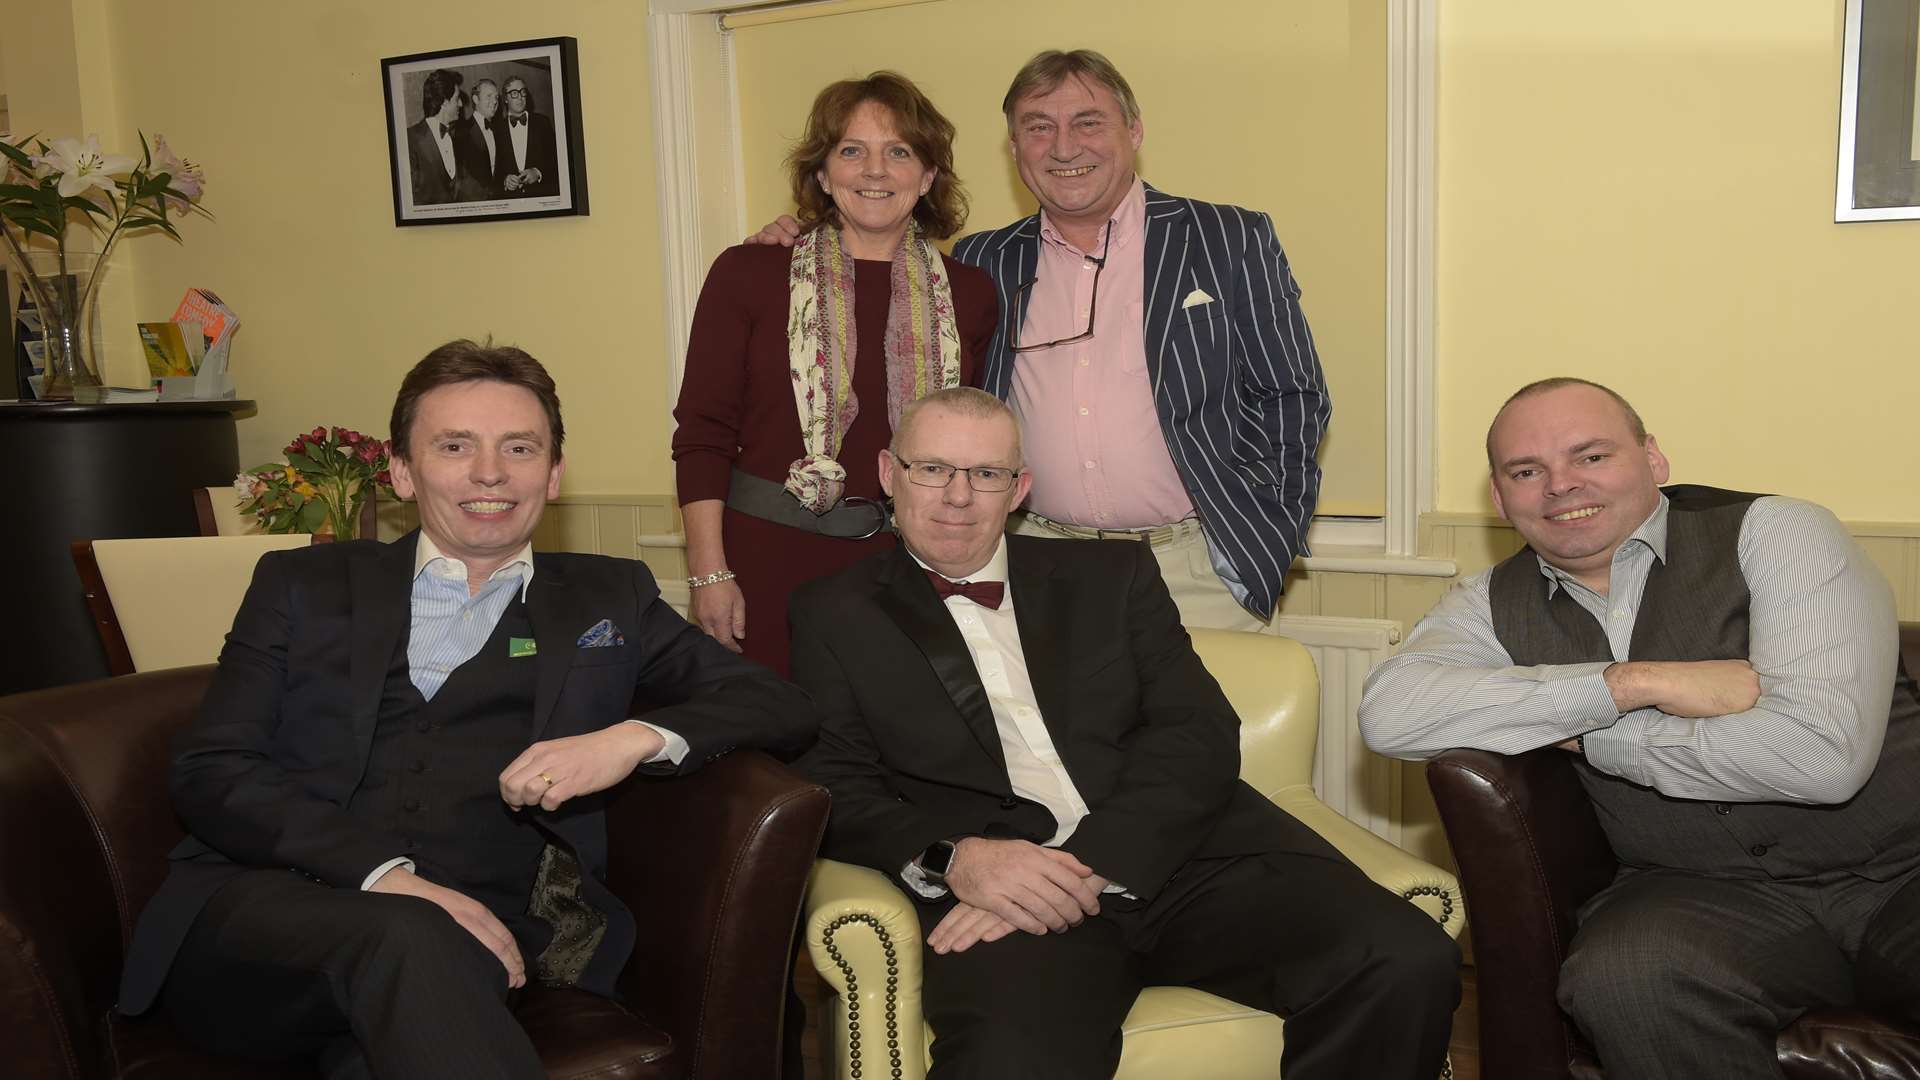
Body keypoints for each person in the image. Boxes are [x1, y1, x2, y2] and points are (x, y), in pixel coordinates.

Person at [115, 341, 818, 1078]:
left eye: (519, 448)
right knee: (410, 936)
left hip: (470, 950)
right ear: (401, 471)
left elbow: (780, 703)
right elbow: (213, 767)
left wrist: (632, 737)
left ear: (553, 477)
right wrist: (382, 875)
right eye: (455, 446)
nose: (490, 472)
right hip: (262, 923)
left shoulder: (609, 598)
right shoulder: (304, 585)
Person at [789, 386, 1459, 1080]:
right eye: (932, 468)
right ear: (887, 471)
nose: (958, 496)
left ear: (1019, 489)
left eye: (986, 474)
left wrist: (1091, 860)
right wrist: (957, 859)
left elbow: (1197, 732)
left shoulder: (1113, 576)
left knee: (1403, 958)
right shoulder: (832, 613)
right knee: (1013, 1060)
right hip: (1008, 898)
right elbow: (836, 782)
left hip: (1186, 863)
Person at [1358, 377, 1920, 1078]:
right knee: (1625, 977)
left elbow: (1820, 757)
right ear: (1500, 500)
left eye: (1590, 456)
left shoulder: (1778, 531)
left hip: (1902, 871)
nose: (1560, 486)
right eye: (1526, 471)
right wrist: (1631, 684)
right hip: (1699, 889)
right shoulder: (1485, 602)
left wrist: (1586, 733)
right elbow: (1390, 713)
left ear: (1653, 460)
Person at [752, 49, 1330, 635]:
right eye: (1038, 127)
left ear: (1133, 130)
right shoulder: (983, 261)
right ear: (1014, 148)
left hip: (1199, 572)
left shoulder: (1226, 238)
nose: (1063, 147)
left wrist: (1270, 532)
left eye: (1088, 121)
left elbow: (1293, 395)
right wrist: (803, 236)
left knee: (1210, 729)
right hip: (1036, 570)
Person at [672, 72, 997, 677]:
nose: (875, 171)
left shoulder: (971, 295)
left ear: (927, 177)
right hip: (763, 564)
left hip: (905, 566)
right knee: (773, 754)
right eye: (852, 150)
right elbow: (702, 434)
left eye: (898, 152)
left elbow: (972, 449)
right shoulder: (748, 273)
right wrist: (709, 574)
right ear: (823, 174)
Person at [407, 68, 466, 205]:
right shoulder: (410, 139)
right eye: (457, 99)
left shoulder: (458, 137)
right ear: (444, 102)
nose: (461, 104)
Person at [500, 75, 559, 198]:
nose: (520, 97)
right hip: (510, 200)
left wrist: (538, 173)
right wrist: (505, 179)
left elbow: (556, 159)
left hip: (540, 196)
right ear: (505, 98)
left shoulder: (543, 122)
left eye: (523, 92)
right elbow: (494, 168)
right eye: (514, 93)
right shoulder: (497, 128)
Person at [454, 77, 506, 201]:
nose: (494, 101)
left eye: (496, 97)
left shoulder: (499, 130)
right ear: (476, 99)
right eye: (489, 96)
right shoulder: (461, 131)